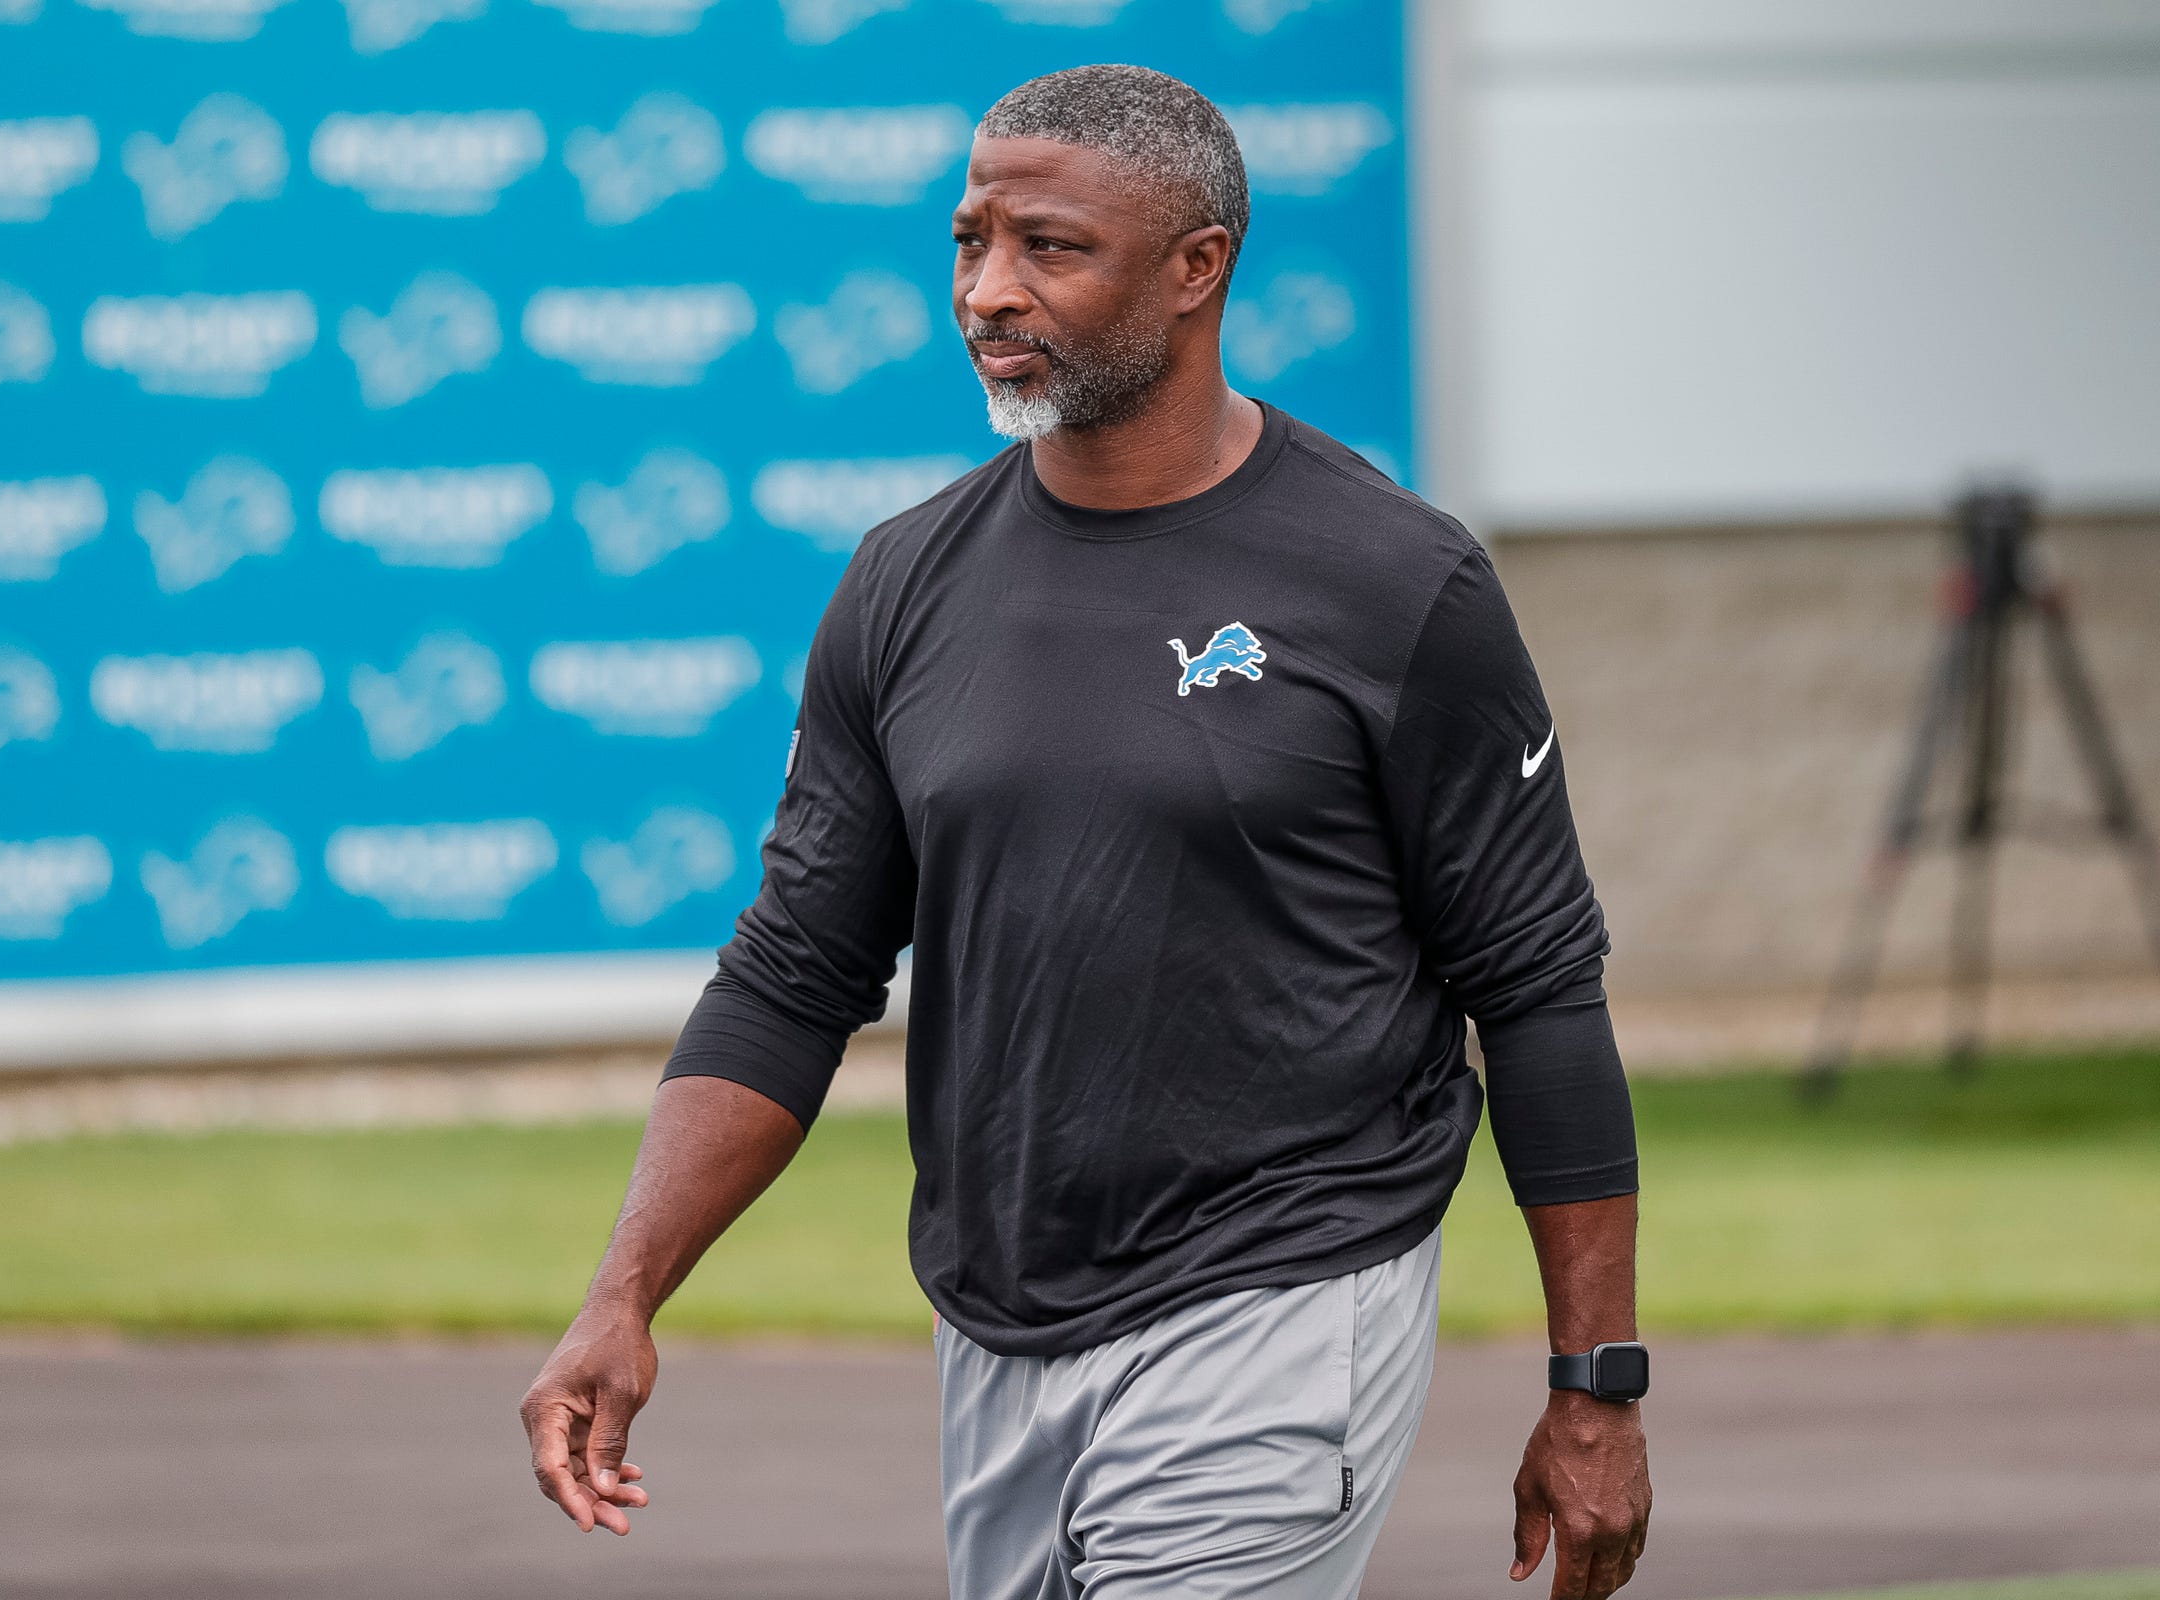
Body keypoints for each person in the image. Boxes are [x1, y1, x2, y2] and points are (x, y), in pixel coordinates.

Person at [521, 63, 1654, 1600]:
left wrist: (1597, 1382)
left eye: (1049, 248)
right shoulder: (902, 583)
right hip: (997, 1321)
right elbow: (793, 976)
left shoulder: (1397, 581)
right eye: (970, 242)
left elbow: (1535, 990)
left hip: (1283, 1290)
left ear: (1199, 269)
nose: (989, 291)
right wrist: (622, 1293)